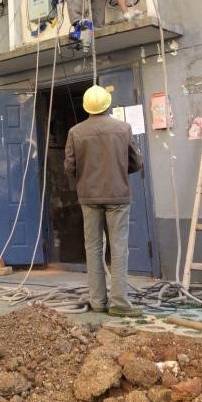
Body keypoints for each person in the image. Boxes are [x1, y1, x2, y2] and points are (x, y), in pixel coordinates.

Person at [64, 85, 144, 317]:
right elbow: (136, 163)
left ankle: (98, 301)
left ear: (86, 107)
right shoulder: (123, 128)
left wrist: (83, 180)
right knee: (119, 248)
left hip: (88, 196)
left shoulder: (75, 132)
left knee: (93, 248)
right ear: (108, 104)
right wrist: (118, 172)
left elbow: (69, 167)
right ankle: (119, 303)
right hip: (118, 195)